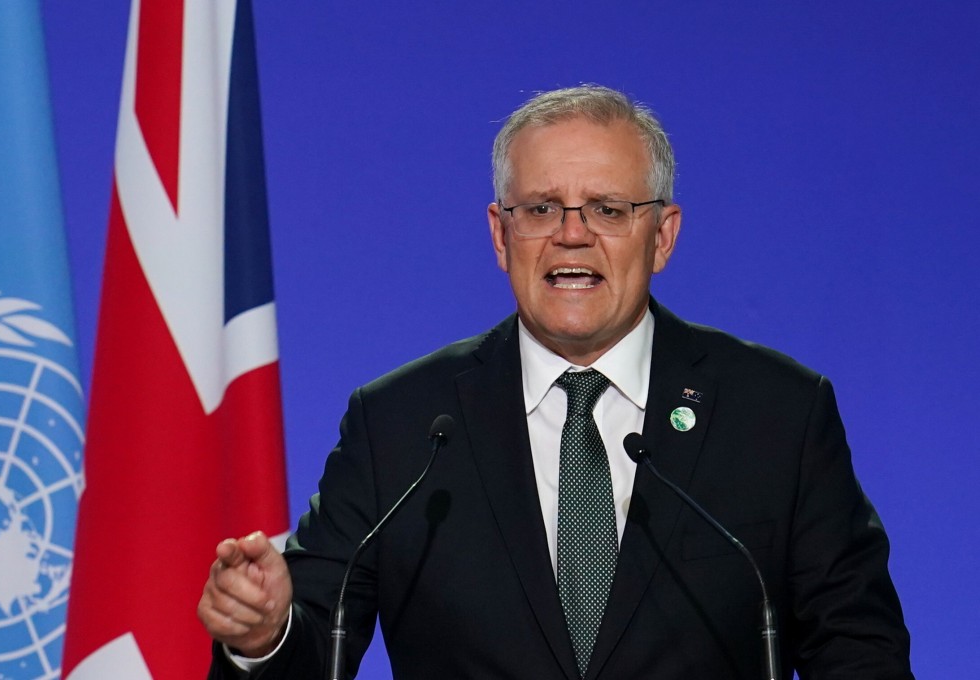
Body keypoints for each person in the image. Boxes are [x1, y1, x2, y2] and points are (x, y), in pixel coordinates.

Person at [198, 85, 913, 679]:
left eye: (608, 209)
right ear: (500, 234)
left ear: (662, 236)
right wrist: (264, 634)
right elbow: (318, 636)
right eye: (540, 209)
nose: (572, 235)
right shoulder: (401, 425)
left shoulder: (777, 415)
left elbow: (860, 653)